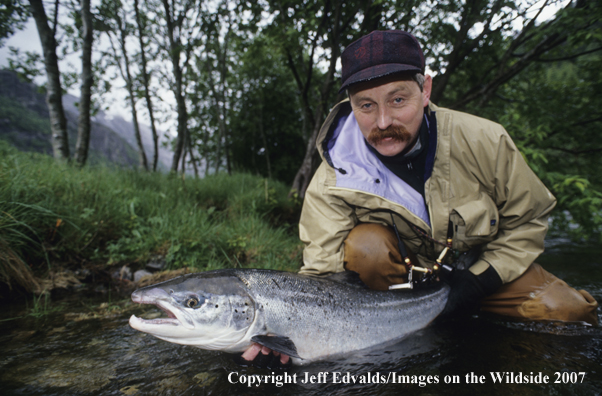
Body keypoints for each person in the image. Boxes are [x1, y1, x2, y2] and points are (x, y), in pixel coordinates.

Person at [241, 30, 598, 367]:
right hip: (394, 290)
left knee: (568, 313)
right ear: (350, 105)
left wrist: (479, 281)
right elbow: (320, 277)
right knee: (365, 245)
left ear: (424, 89)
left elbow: (529, 219)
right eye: (365, 106)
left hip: (482, 270)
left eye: (398, 100)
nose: (383, 121)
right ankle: (404, 329)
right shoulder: (332, 179)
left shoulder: (484, 140)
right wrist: (287, 332)